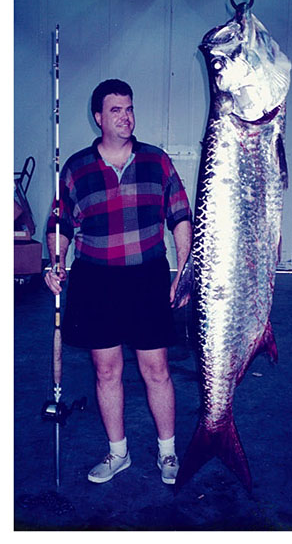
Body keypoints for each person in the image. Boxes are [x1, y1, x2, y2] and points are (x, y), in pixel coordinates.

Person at [44, 79, 192, 485]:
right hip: (95, 280)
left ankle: (168, 453)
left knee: (157, 369)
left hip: (147, 276)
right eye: (116, 110)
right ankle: (118, 453)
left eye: (129, 108)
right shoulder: (76, 168)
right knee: (107, 371)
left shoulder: (157, 162)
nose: (126, 116)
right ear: (98, 118)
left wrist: (183, 270)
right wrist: (54, 263)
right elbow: (60, 223)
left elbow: (180, 216)